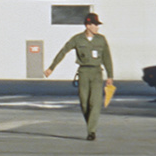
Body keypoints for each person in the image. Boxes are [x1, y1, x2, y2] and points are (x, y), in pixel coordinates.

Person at [44, 12, 114, 140]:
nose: (97, 27)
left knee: (95, 102)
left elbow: (107, 57)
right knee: (84, 103)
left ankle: (91, 131)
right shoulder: (77, 39)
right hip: (84, 72)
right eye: (95, 25)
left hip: (97, 72)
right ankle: (90, 125)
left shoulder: (101, 39)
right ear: (88, 25)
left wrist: (110, 76)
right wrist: (51, 68)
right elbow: (63, 51)